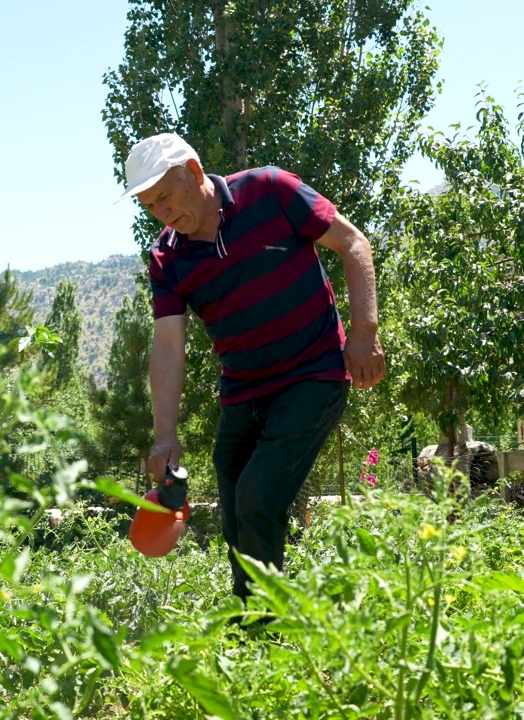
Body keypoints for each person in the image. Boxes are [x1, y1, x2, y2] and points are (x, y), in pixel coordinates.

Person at [117, 133, 386, 612]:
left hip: (313, 373)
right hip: (242, 391)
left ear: (195, 172)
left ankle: (269, 625)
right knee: (235, 508)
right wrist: (164, 436)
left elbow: (353, 243)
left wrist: (364, 334)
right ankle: (255, 623)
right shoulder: (167, 258)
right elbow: (168, 344)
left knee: (257, 497)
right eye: (148, 205)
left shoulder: (271, 190)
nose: (160, 211)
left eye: (165, 196)